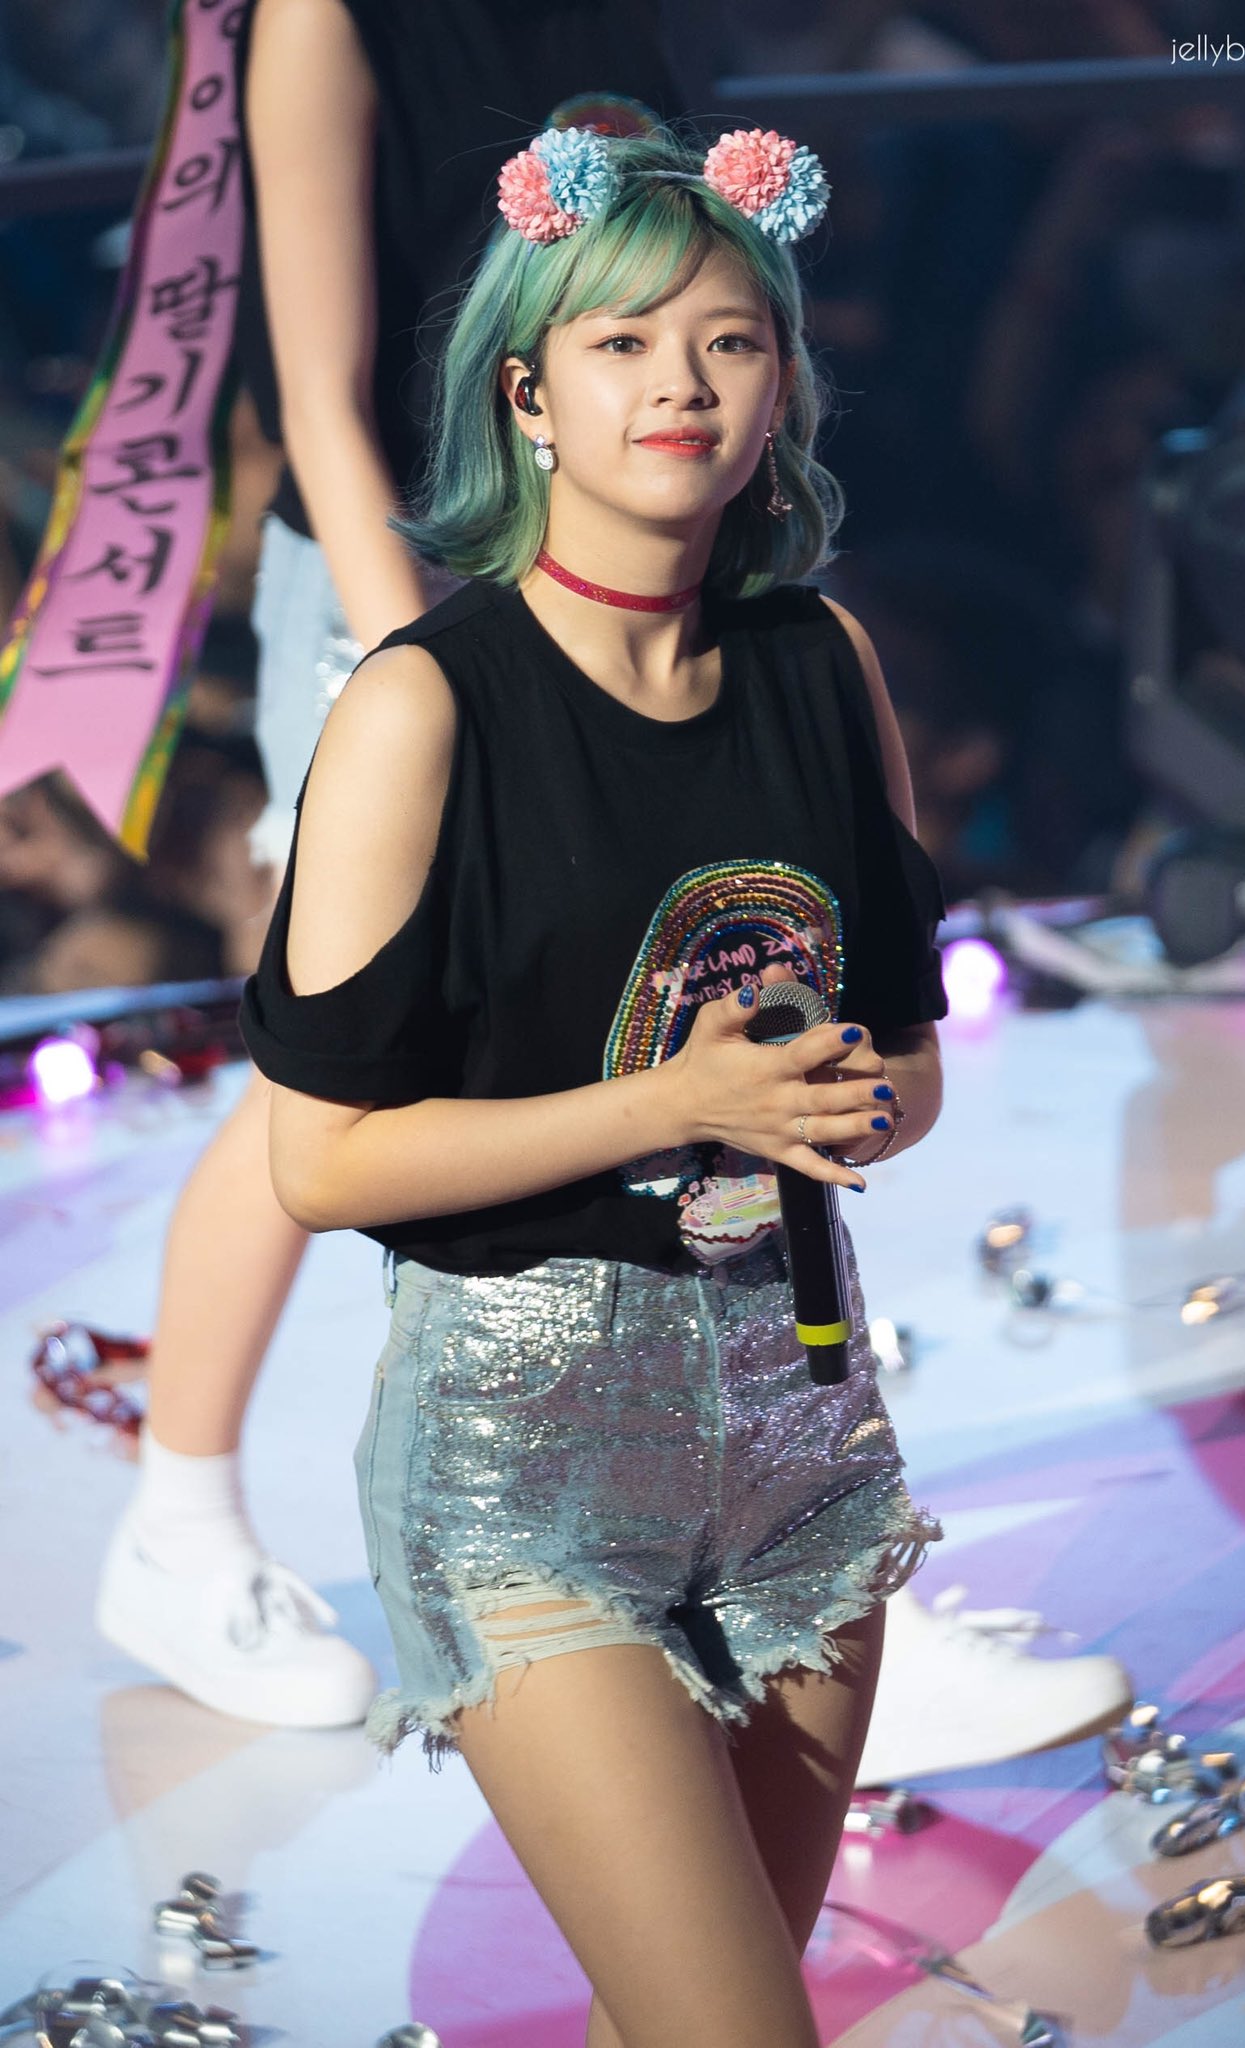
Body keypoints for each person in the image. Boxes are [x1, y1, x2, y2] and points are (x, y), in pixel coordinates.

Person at [240, 119, 944, 2044]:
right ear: (529, 396)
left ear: (779, 388)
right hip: (525, 1461)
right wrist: (678, 1107)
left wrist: (844, 1104)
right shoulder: (422, 705)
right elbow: (322, 1161)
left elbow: (910, 1066)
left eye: (728, 341)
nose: (679, 383)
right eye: (622, 343)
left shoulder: (823, 664)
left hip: (801, 1424)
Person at [96, 0, 681, 1726]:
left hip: (610, 580)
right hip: (409, 595)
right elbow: (322, 405)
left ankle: (752, 1531)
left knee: (656, 1022)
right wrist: (429, 676)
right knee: (339, 1066)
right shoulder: (325, 17)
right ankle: (179, 1527)